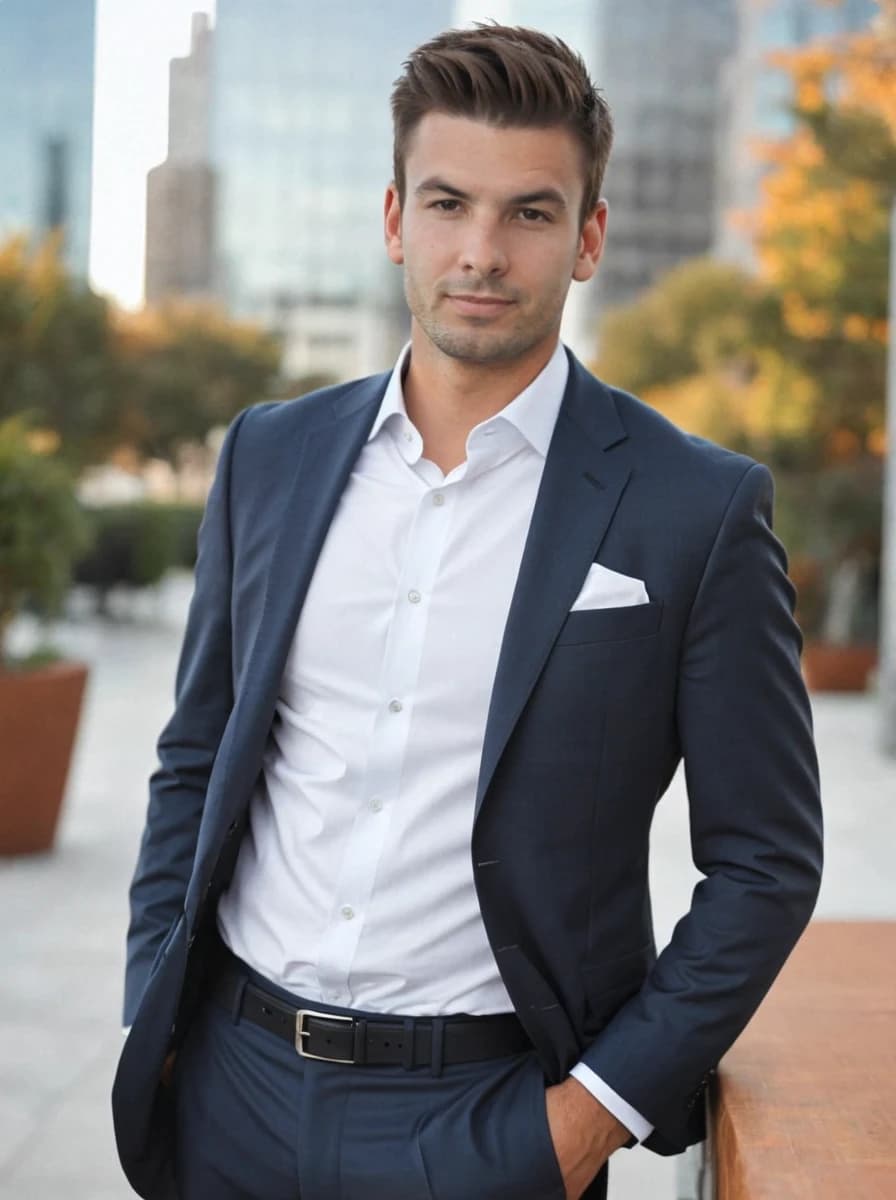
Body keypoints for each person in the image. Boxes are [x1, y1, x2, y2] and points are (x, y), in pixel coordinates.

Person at [113, 23, 823, 1200]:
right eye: (446, 204)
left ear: (587, 236)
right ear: (395, 219)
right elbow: (196, 755)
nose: (480, 252)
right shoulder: (268, 457)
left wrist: (590, 1119)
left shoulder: (694, 509)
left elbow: (765, 863)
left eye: (529, 214)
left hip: (485, 1124)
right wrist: (158, 1012)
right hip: (227, 1092)